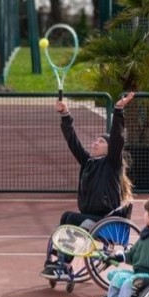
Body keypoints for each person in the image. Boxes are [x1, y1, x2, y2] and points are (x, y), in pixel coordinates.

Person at [40, 91, 136, 280]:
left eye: (100, 142)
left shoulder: (111, 164)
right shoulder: (88, 163)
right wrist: (65, 115)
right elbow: (73, 142)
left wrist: (118, 110)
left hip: (104, 218)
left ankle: (65, 264)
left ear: (109, 148)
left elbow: (118, 138)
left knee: (74, 219)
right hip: (90, 216)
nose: (95, 143)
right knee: (67, 216)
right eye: (95, 140)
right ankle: (58, 260)